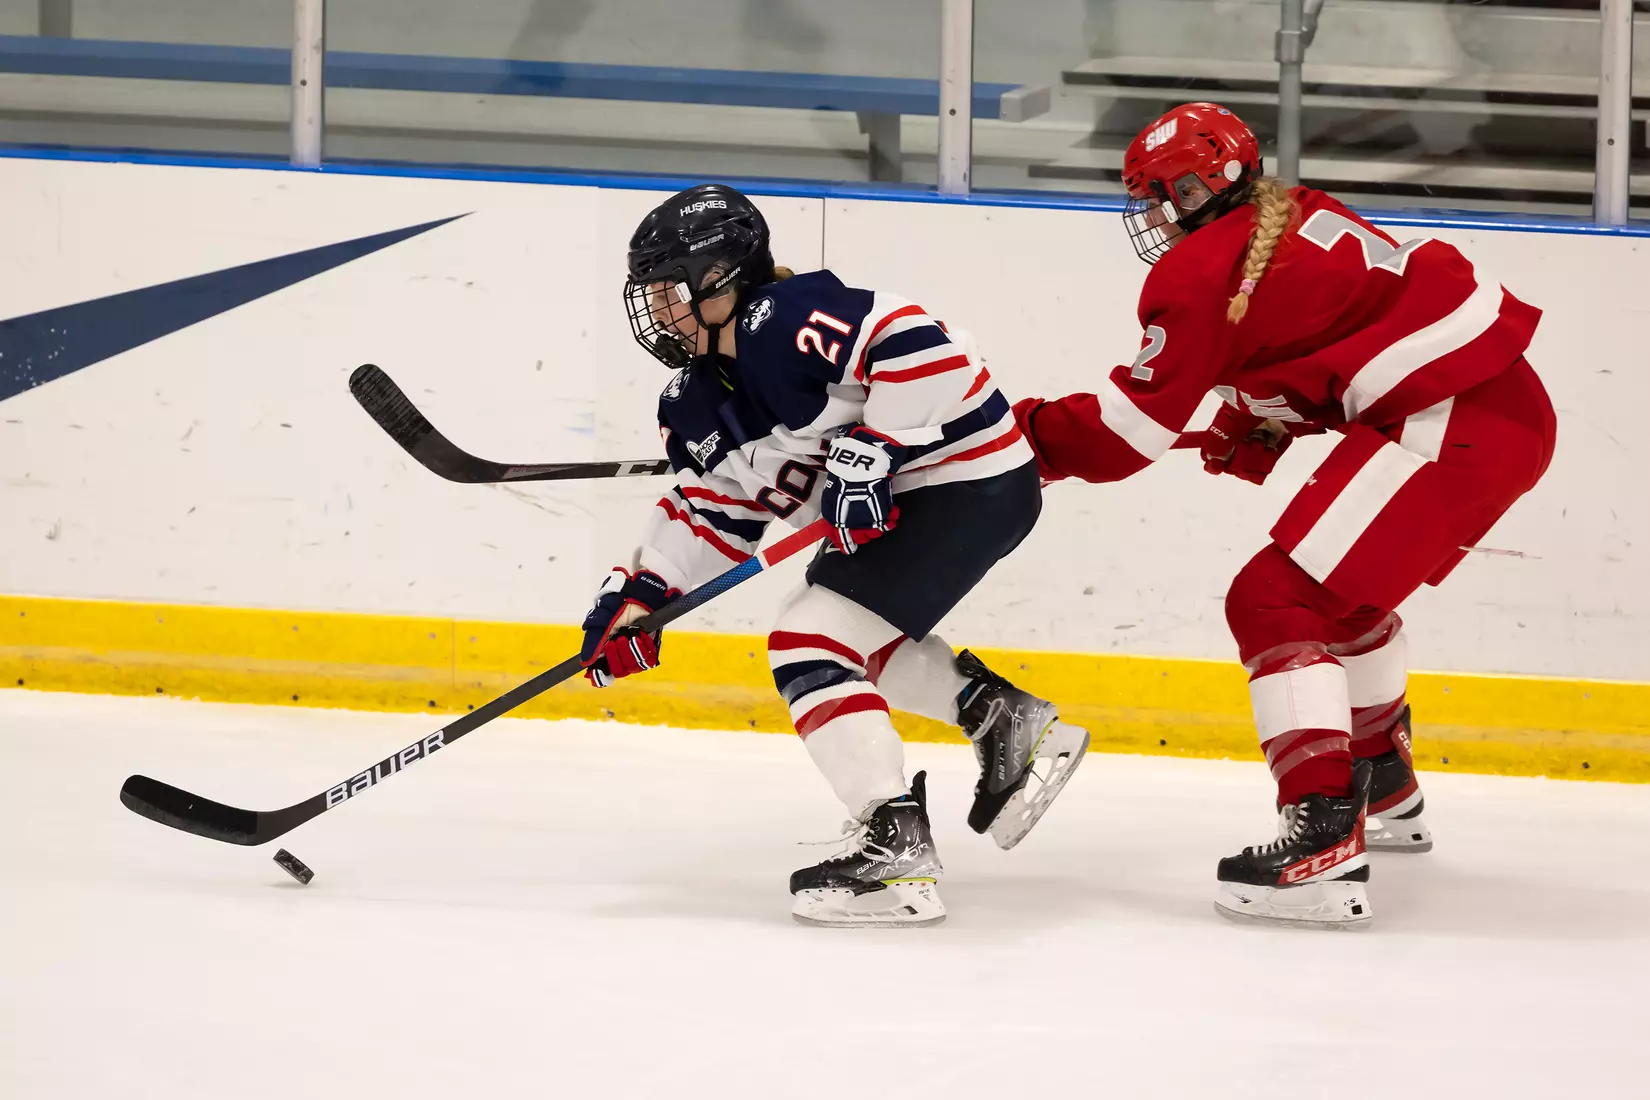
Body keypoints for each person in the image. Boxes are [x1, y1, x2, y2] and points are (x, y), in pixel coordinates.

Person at [1013, 103, 1555, 928]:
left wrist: (1028, 441)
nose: (1156, 215)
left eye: (1166, 194)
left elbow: (1127, 435)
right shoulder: (1293, 213)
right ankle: (1386, 782)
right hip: (1498, 409)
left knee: (1273, 601)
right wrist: (1251, 418)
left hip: (1450, 424)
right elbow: (1328, 340)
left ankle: (1321, 835)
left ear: (1207, 186)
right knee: (1342, 602)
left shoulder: (1197, 274)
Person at [580, 184, 1091, 927]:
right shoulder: (691, 400)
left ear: (720, 275)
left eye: (669, 290)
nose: (659, 312)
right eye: (651, 295)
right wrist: (644, 593)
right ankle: (1000, 718)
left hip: (966, 481)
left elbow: (924, 345)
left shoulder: (782, 320)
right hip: (925, 503)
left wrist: (875, 449)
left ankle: (895, 848)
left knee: (806, 642)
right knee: (834, 633)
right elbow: (717, 510)